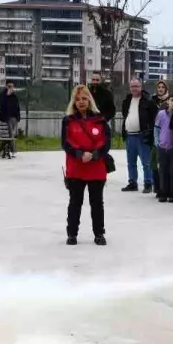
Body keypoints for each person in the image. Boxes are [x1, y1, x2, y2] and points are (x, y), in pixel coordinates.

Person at [60, 85, 111, 246]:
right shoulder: (68, 120)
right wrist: (80, 154)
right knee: (75, 202)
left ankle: (99, 234)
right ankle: (72, 234)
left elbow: (106, 142)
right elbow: (66, 142)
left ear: (89, 100)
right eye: (77, 99)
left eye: (84, 98)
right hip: (76, 167)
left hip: (96, 167)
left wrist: (94, 155)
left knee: (97, 203)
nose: (81, 102)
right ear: (73, 101)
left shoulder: (100, 120)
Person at [120, 78, 158, 193]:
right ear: (130, 88)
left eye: (136, 86)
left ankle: (148, 183)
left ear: (141, 87)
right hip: (129, 136)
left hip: (142, 135)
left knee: (146, 162)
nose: (134, 88)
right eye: (132, 86)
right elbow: (125, 115)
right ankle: (132, 182)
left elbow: (154, 117)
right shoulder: (126, 101)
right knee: (130, 162)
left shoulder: (148, 101)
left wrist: (149, 133)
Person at [154, 96, 173, 202]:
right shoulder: (161, 114)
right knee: (162, 171)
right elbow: (156, 129)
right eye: (172, 100)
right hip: (162, 146)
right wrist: (157, 142)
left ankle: (172, 193)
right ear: (168, 101)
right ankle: (163, 192)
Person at [0, 81, 21, 159]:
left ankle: (1, 151)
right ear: (6, 86)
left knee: (8, 136)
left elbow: (18, 107)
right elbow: (2, 105)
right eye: (9, 86)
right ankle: (13, 151)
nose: (11, 88)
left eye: (12, 86)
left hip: (14, 118)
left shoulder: (15, 96)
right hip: (5, 119)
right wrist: (7, 94)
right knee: (10, 135)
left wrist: (18, 118)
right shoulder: (2, 95)